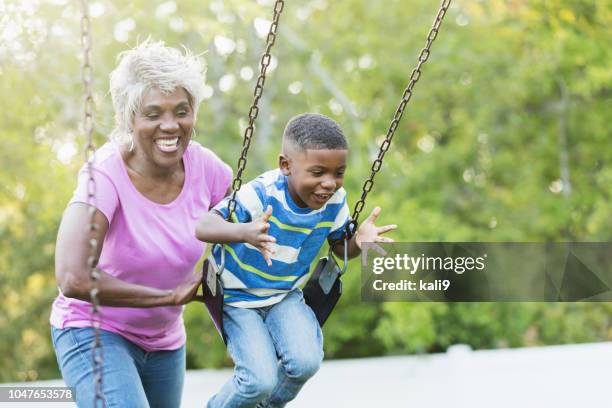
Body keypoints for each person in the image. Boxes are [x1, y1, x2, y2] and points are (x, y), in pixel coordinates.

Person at [50, 40, 232, 407]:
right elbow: (73, 277)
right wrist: (166, 297)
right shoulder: (104, 175)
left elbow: (253, 226)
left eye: (181, 111)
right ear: (130, 118)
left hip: (165, 341)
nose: (170, 125)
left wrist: (343, 238)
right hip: (94, 331)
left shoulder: (208, 169)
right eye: (153, 114)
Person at [196, 113, 397, 408]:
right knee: (259, 379)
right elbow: (203, 227)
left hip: (284, 296)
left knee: (305, 362)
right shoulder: (261, 193)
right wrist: (244, 232)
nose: (329, 183)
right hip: (238, 299)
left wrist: (358, 243)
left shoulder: (335, 201)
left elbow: (341, 248)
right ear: (286, 165)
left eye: (338, 172)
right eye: (318, 172)